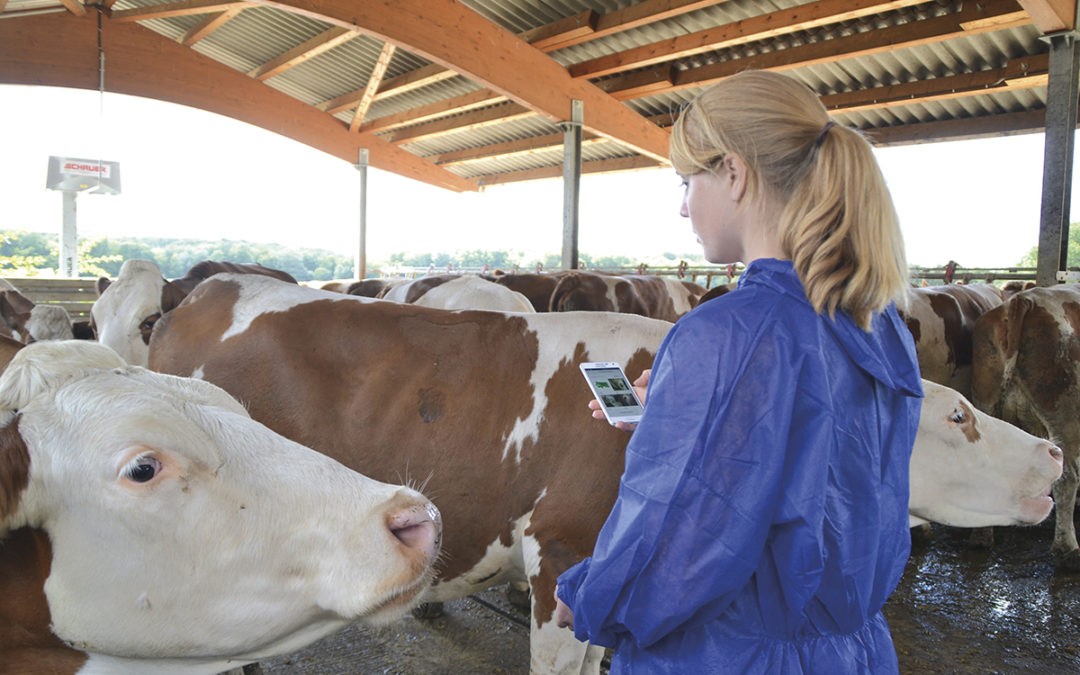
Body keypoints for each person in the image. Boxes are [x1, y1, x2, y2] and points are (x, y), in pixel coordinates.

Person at [553, 70, 923, 673]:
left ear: (733, 173)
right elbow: (818, 467)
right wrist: (679, 420)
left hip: (730, 655)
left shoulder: (727, 332)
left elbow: (683, 539)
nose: (681, 206)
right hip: (852, 651)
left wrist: (592, 595)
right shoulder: (876, 325)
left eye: (686, 180)